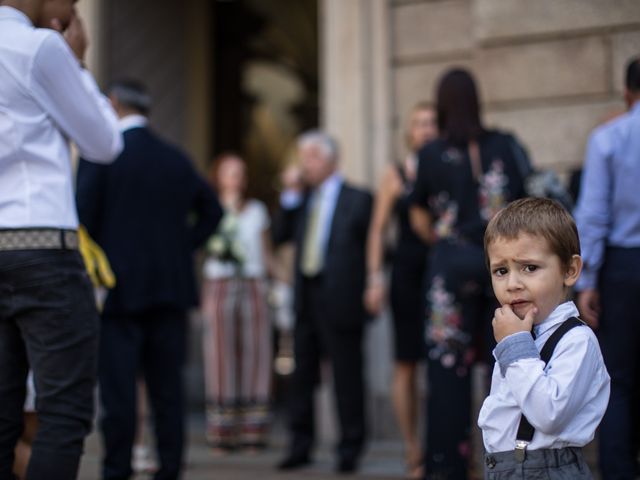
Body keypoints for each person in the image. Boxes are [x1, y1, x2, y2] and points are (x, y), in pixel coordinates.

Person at [0, 0, 123, 478]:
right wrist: (77, 64)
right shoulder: (39, 47)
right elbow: (105, 143)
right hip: (42, 246)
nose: (72, 8)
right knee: (63, 413)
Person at [76, 79, 222, 480]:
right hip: (170, 291)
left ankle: (117, 470)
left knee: (120, 394)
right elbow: (213, 211)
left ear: (113, 103)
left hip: (119, 293)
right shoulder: (175, 157)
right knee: (167, 393)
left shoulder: (102, 154)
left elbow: (82, 219)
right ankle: (169, 469)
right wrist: (183, 248)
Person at [408, 68, 530, 479]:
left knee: (447, 371)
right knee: (510, 365)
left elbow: (419, 217)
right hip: (500, 268)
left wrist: (444, 242)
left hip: (448, 268)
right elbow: (525, 203)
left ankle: (448, 468)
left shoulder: (430, 153)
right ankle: (515, 464)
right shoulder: (505, 145)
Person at [478, 197, 610, 479]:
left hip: (546, 470)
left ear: (570, 270)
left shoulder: (577, 341)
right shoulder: (522, 334)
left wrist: (515, 346)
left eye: (530, 268)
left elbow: (549, 414)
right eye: (501, 271)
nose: (513, 284)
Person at [273, 130, 372, 474]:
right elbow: (278, 235)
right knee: (301, 375)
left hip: (341, 299)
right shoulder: (301, 200)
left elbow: (373, 251)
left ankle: (350, 447)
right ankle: (300, 444)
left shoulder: (359, 199)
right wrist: (289, 194)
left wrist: (370, 287)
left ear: (331, 160)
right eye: (304, 158)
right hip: (306, 297)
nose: (306, 165)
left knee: (346, 376)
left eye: (312, 157)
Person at [574, 56, 640, 480]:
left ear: (626, 93)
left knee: (617, 374)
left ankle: (618, 471)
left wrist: (587, 281)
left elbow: (593, 216)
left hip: (624, 265)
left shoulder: (608, 138)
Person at [364, 101, 437, 479]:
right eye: (419, 124)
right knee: (406, 363)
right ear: (410, 132)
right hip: (407, 275)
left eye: (432, 123)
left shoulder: (448, 167)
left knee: (445, 366)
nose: (425, 129)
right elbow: (377, 229)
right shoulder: (395, 174)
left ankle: (453, 449)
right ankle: (413, 449)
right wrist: (374, 278)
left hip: (442, 273)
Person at [201, 153, 281, 452]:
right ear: (218, 176)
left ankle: (253, 430)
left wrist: (284, 281)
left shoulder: (257, 210)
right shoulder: (209, 208)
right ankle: (222, 432)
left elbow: (266, 252)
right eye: (229, 172)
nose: (235, 178)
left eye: (240, 173)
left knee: (256, 353)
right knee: (220, 356)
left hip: (252, 284)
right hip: (220, 285)